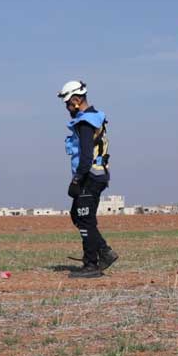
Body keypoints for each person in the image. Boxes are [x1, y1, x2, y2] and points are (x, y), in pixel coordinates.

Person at [57, 80, 119, 278]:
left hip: (90, 176)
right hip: (96, 175)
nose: (67, 108)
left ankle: (91, 263)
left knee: (85, 218)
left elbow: (85, 157)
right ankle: (104, 251)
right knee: (77, 215)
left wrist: (76, 180)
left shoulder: (85, 122)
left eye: (68, 103)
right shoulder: (95, 117)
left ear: (76, 100)